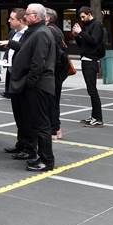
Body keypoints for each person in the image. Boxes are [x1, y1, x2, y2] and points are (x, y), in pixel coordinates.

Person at [10, 4, 56, 172]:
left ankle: (46, 160)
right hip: (36, 85)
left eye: (28, 14)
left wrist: (29, 83)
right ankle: (41, 157)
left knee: (42, 124)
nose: (25, 17)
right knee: (37, 123)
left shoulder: (42, 33)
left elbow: (38, 63)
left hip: (39, 86)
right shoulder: (36, 32)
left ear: (36, 17)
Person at [0, 8, 31, 157]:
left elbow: (25, 50)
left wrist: (10, 44)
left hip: (23, 80)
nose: (9, 21)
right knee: (17, 113)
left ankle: (28, 147)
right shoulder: (13, 34)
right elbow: (10, 50)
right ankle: (20, 144)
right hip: (12, 75)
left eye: (12, 19)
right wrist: (6, 58)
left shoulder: (29, 34)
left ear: (20, 20)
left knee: (26, 114)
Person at [72, 6, 106, 127]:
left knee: (92, 90)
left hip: (91, 59)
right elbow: (83, 44)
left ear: (89, 14)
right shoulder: (86, 26)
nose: (82, 19)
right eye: (80, 17)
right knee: (91, 90)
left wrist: (81, 32)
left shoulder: (96, 25)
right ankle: (94, 116)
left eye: (83, 16)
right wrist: (77, 36)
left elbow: (94, 41)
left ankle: (98, 118)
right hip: (86, 58)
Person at [45, 8, 69, 139]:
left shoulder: (49, 31)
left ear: (48, 18)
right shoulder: (57, 30)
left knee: (51, 101)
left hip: (54, 70)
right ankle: (55, 128)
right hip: (59, 70)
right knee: (54, 100)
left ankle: (54, 129)